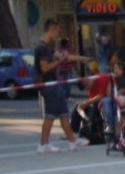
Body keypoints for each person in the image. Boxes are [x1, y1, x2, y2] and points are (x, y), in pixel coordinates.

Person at [34, 20, 86, 153]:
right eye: (57, 31)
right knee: (50, 115)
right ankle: (43, 144)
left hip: (54, 84)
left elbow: (64, 56)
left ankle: (72, 142)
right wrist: (60, 62)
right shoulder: (43, 47)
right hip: (49, 84)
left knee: (63, 113)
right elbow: (44, 67)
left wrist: (81, 58)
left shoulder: (47, 46)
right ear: (51, 30)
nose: (58, 34)